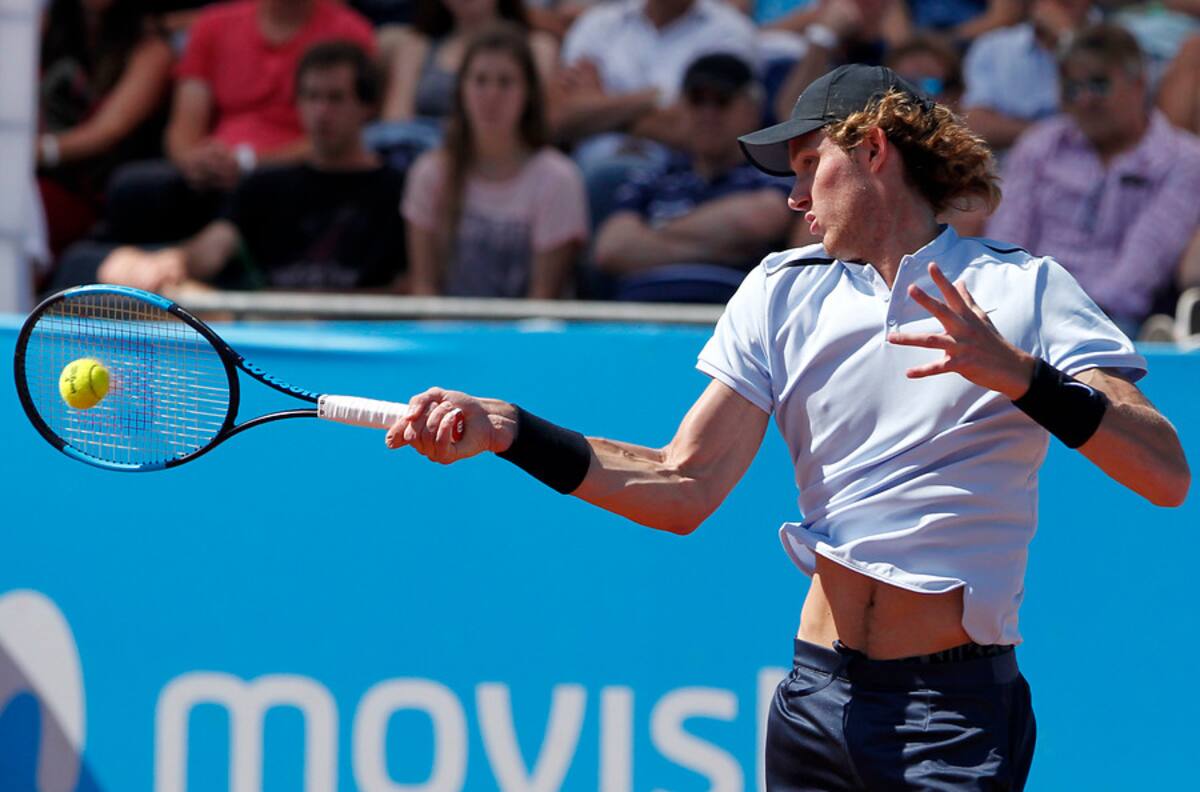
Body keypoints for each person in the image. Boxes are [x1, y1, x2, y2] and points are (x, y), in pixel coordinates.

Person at [383, 63, 1189, 789]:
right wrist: (512, 430)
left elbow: (1165, 473)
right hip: (814, 699)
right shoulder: (779, 291)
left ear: (874, 150)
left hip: (953, 711)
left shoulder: (1026, 289)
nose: (794, 198)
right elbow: (680, 485)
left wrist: (1023, 378)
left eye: (809, 166)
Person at [51, 41, 406, 294]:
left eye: (335, 98)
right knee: (96, 263)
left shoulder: (396, 187)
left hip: (364, 331)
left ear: (367, 107)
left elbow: (412, 286)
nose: (321, 111)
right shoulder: (266, 186)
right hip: (271, 329)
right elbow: (214, 248)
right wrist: (163, 263)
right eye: (311, 97)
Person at [101, 0, 376, 245]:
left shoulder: (349, 31)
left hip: (295, 175)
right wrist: (195, 162)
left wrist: (248, 163)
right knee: (130, 187)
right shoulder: (213, 24)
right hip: (211, 176)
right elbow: (184, 126)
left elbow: (347, 131)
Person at [986, 24, 1200, 336]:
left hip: (1115, 320)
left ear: (1138, 83)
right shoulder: (1040, 145)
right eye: (1073, 88)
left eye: (1099, 84)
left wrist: (1069, 321)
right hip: (1024, 311)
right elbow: (1007, 241)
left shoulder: (1182, 158)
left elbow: (1145, 260)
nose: (1085, 99)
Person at [402, 23, 589, 298]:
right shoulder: (430, 173)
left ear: (528, 93)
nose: (491, 96)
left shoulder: (558, 179)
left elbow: (544, 299)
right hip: (445, 336)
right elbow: (424, 287)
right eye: (480, 81)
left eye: (505, 82)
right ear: (461, 90)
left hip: (524, 339)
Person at [591, 53, 795, 302]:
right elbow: (611, 249)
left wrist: (651, 234)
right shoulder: (652, 177)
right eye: (697, 100)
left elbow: (760, 220)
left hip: (726, 321)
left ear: (752, 110)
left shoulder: (770, 171)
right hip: (639, 319)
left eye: (722, 100)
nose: (708, 113)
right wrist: (723, 246)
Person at [36, 0, 173, 257]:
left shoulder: (151, 50)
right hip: (35, 176)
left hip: (92, 191)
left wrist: (38, 151)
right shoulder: (43, 28)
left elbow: (108, 131)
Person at [960, 0, 1093, 153]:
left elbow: (1105, 120)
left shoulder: (1121, 38)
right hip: (1010, 171)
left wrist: (1067, 38)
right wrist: (1054, 134)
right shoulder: (992, 47)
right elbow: (977, 126)